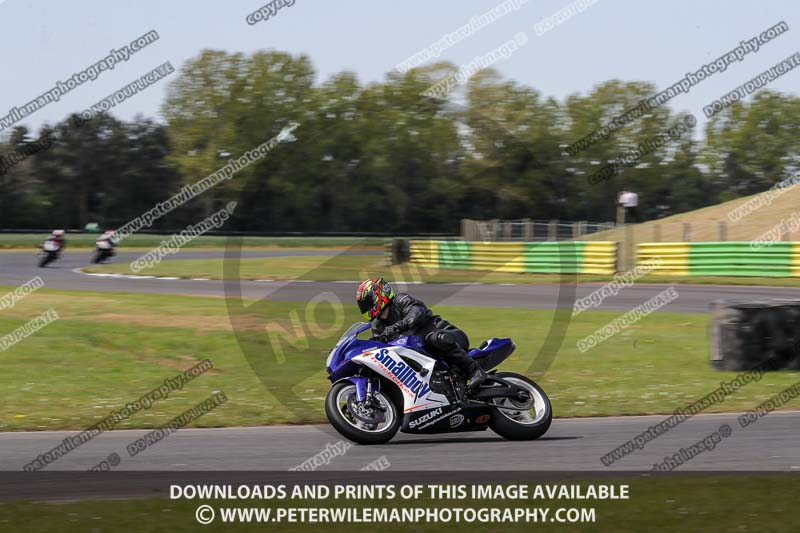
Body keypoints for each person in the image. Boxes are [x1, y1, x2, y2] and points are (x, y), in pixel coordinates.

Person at [356, 277, 487, 389]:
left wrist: (398, 326)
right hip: (424, 358)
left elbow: (416, 313)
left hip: (449, 337)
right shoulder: (377, 326)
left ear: (379, 295)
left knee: (434, 338)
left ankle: (475, 371)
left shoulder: (401, 300)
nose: (365, 307)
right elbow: (378, 348)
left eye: (367, 303)